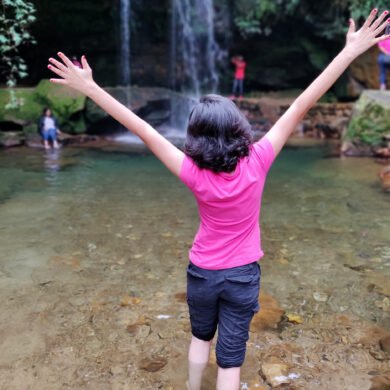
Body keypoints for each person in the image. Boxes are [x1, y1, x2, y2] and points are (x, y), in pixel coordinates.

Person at [47, 10, 389, 390]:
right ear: (239, 126)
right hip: (242, 275)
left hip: (202, 272)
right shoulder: (259, 159)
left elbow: (142, 128)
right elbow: (301, 105)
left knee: (199, 338)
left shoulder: (192, 171)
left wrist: (91, 88)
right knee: (230, 359)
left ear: (196, 136)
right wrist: (349, 52)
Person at [378, 23, 390, 89]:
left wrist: (386, 53)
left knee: (382, 72)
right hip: (386, 58)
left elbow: (380, 47)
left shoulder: (384, 37)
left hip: (383, 57)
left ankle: (382, 85)